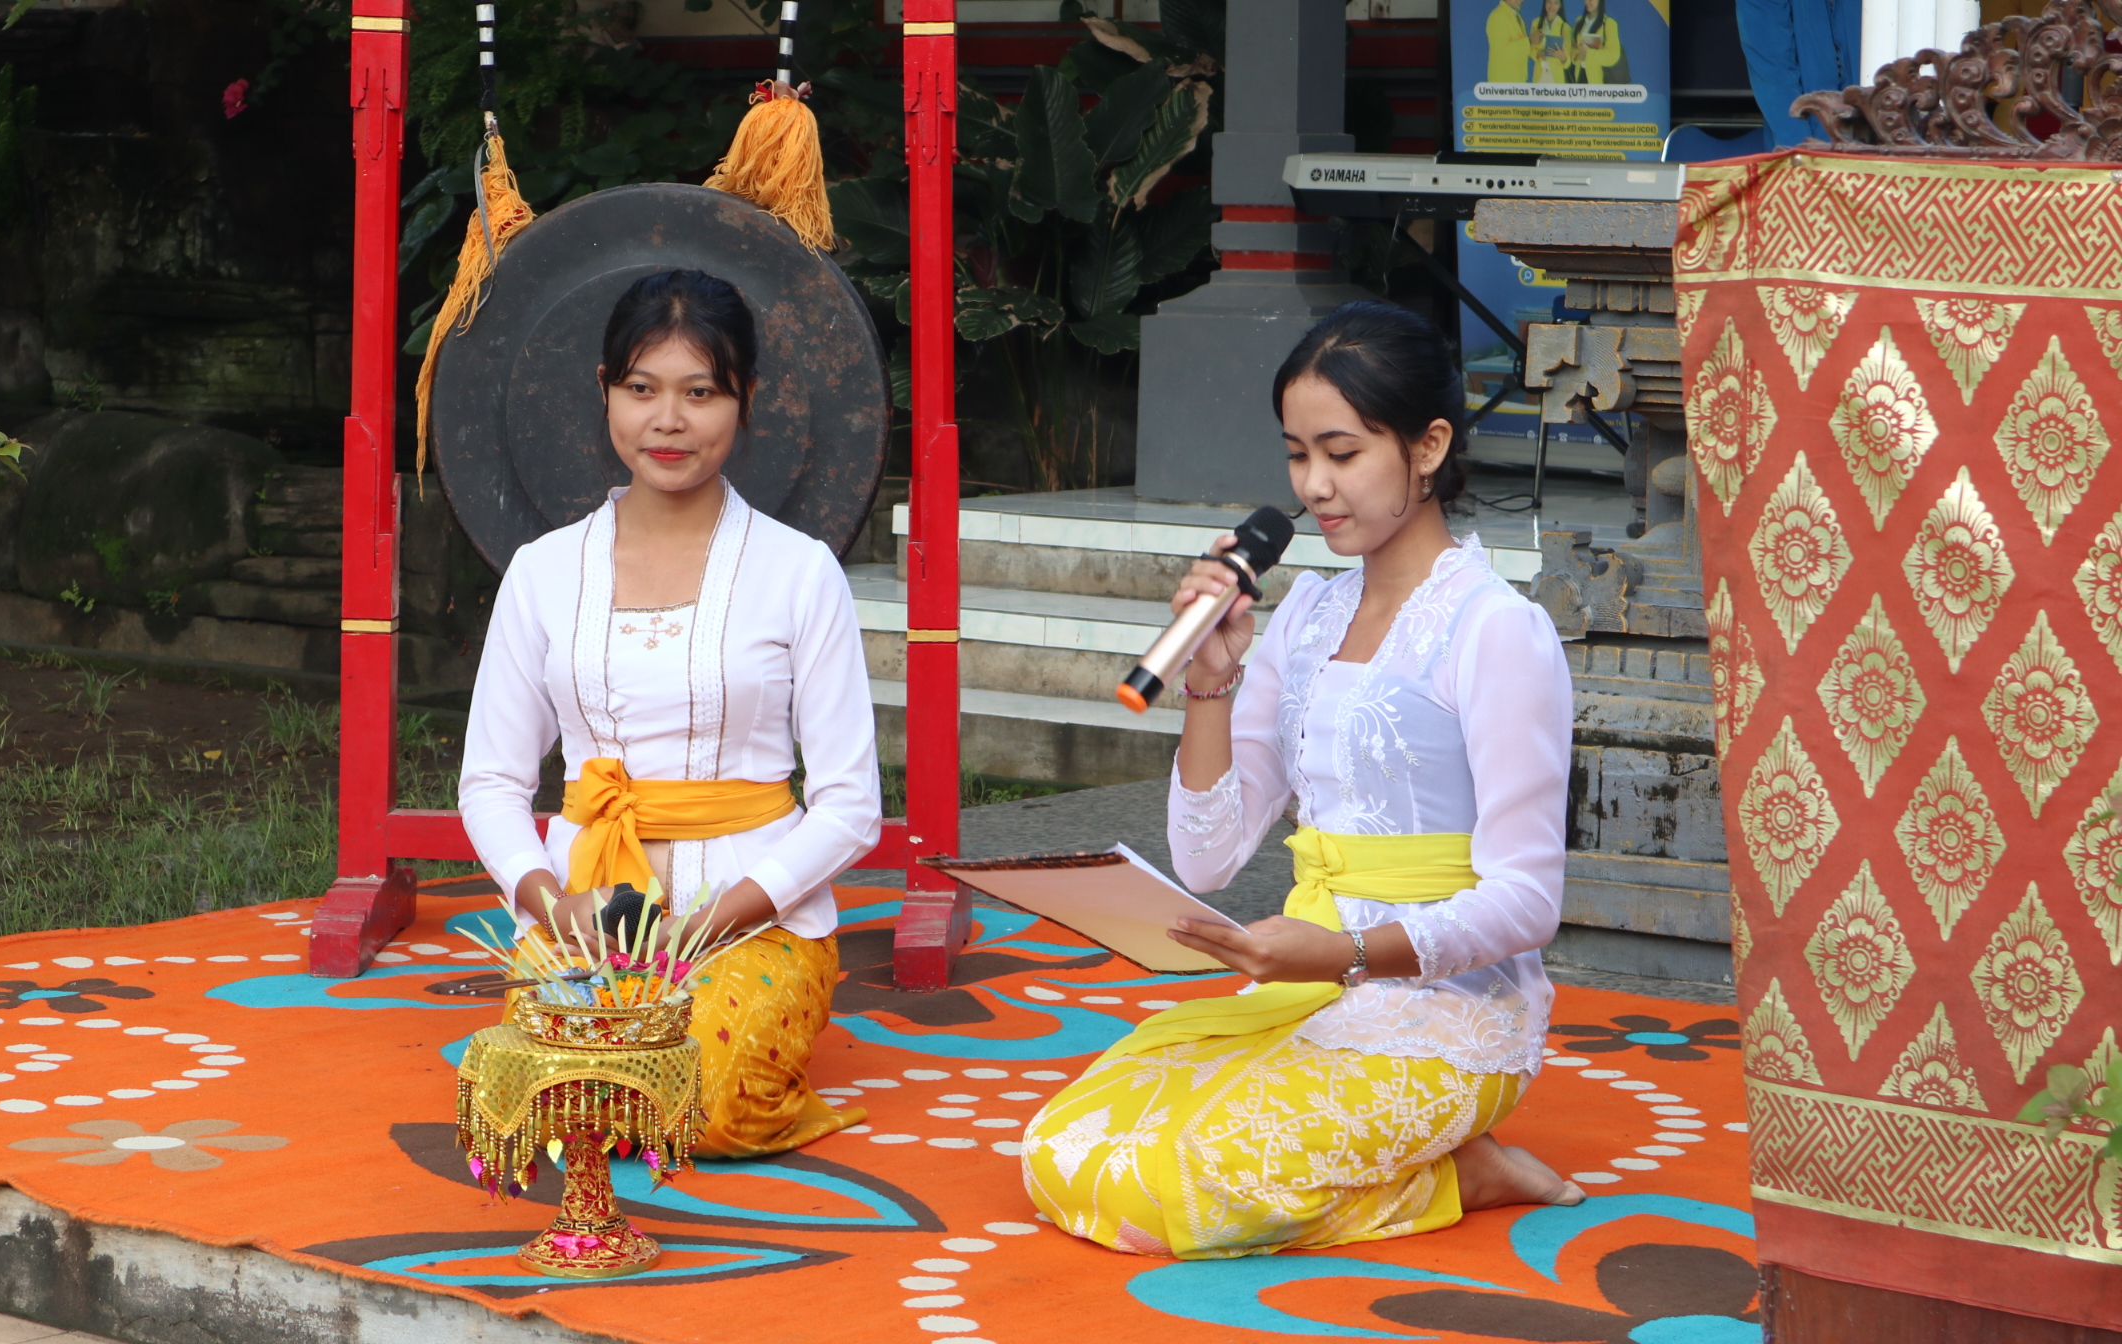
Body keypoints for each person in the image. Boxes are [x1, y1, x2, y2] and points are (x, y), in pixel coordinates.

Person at [1020, 300, 1583, 1260]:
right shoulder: (1309, 614)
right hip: (1312, 987)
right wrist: (1209, 671)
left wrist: (1349, 953)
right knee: (1065, 1153)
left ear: (1428, 445)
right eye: (1295, 455)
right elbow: (1205, 858)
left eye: (1342, 452)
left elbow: (1528, 902)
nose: (1314, 487)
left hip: (1451, 1014)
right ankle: (1441, 1164)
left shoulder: (1494, 628)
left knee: (1175, 1193)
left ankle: (1459, 1168)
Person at [458, 268, 883, 1158]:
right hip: (586, 910)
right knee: (526, 1095)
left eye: (701, 393)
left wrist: (728, 912)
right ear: (605, 392)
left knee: (705, 1102)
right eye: (642, 389)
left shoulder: (800, 572)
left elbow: (850, 804)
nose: (669, 421)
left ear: (745, 401)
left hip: (755, 918)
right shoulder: (543, 572)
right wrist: (545, 898)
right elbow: (493, 781)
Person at [1570, 0, 1628, 84]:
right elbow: (1573, 49)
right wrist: (1578, 56)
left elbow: (1613, 55)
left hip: (1599, 80)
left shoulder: (1609, 24)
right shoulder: (1579, 21)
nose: (1587, 2)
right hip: (1580, 77)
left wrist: (1588, 53)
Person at [1484, 0, 1531, 83]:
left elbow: (1520, 50)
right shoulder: (1498, 16)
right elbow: (1502, 52)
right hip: (1503, 81)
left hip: (1516, 81)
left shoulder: (1517, 17)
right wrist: (1529, 41)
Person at [1529, 0, 1573, 84]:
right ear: (1545, 3)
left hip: (1556, 78)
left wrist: (1562, 56)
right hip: (1539, 76)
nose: (1551, 6)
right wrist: (1538, 54)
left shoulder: (1565, 27)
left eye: (1556, 3)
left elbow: (1568, 62)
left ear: (1560, 6)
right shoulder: (1536, 23)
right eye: (1549, 1)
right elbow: (1530, 48)